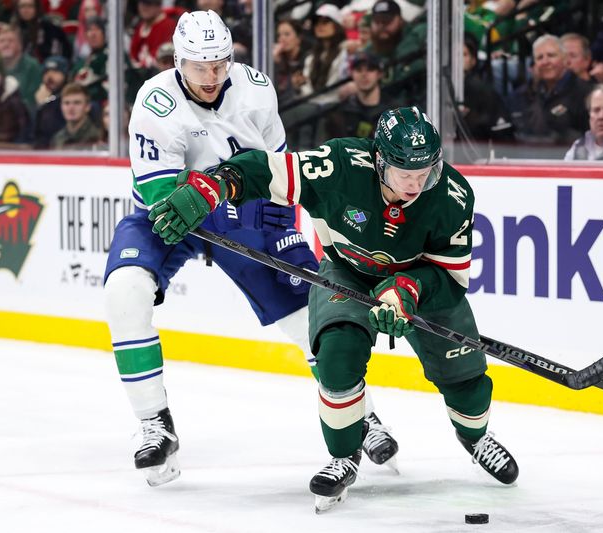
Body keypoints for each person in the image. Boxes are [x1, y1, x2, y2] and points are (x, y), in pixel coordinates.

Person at [148, 106, 520, 512]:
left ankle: (476, 437)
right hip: (348, 272)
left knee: (463, 372)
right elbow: (264, 170)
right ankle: (344, 456)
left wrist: (406, 290)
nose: (416, 185)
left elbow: (450, 279)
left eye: (426, 172)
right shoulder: (340, 165)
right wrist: (213, 188)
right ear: (379, 161)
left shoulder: (452, 195)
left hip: (419, 285)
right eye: (405, 174)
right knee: (336, 357)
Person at [103, 10, 398, 488]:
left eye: (220, 64)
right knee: (124, 292)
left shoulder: (256, 88)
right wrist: (214, 191)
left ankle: (361, 417)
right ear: (179, 62)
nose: (212, 76)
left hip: (241, 206)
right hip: (167, 210)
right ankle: (154, 423)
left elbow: (278, 170)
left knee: (306, 317)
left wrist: (282, 226)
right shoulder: (154, 103)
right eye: (200, 66)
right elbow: (163, 198)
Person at [508, 34, 591, 154]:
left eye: (551, 55)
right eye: (540, 58)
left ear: (565, 59)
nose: (545, 62)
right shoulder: (522, 95)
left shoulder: (585, 92)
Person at [321, 51, 392, 139]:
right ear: (352, 74)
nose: (364, 75)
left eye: (370, 69)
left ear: (380, 74)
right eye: (358, 70)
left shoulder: (393, 111)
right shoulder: (340, 114)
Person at [49, 82, 102, 149]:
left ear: (87, 107)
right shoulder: (57, 139)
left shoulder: (97, 136)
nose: (71, 108)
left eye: (77, 103)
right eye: (66, 103)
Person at [33, 55, 69, 148]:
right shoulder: (41, 95)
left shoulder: (69, 98)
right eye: (46, 72)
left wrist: (45, 104)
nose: (50, 76)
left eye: (55, 72)